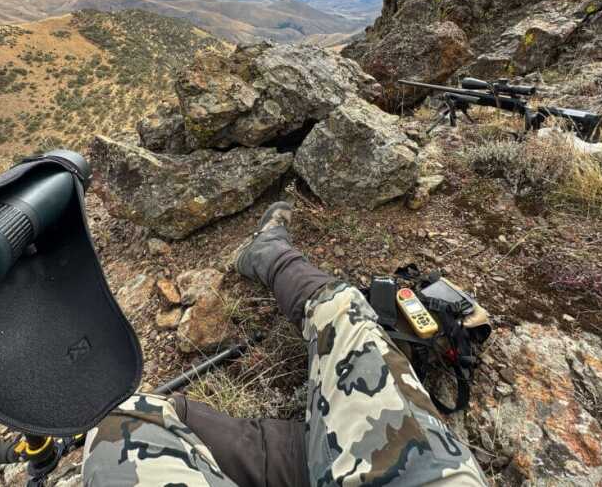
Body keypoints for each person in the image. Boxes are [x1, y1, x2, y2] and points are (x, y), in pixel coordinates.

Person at [82, 202, 489, 486]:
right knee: (344, 308)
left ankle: (270, 252)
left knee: (124, 421)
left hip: (409, 470)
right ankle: (269, 252)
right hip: (404, 468)